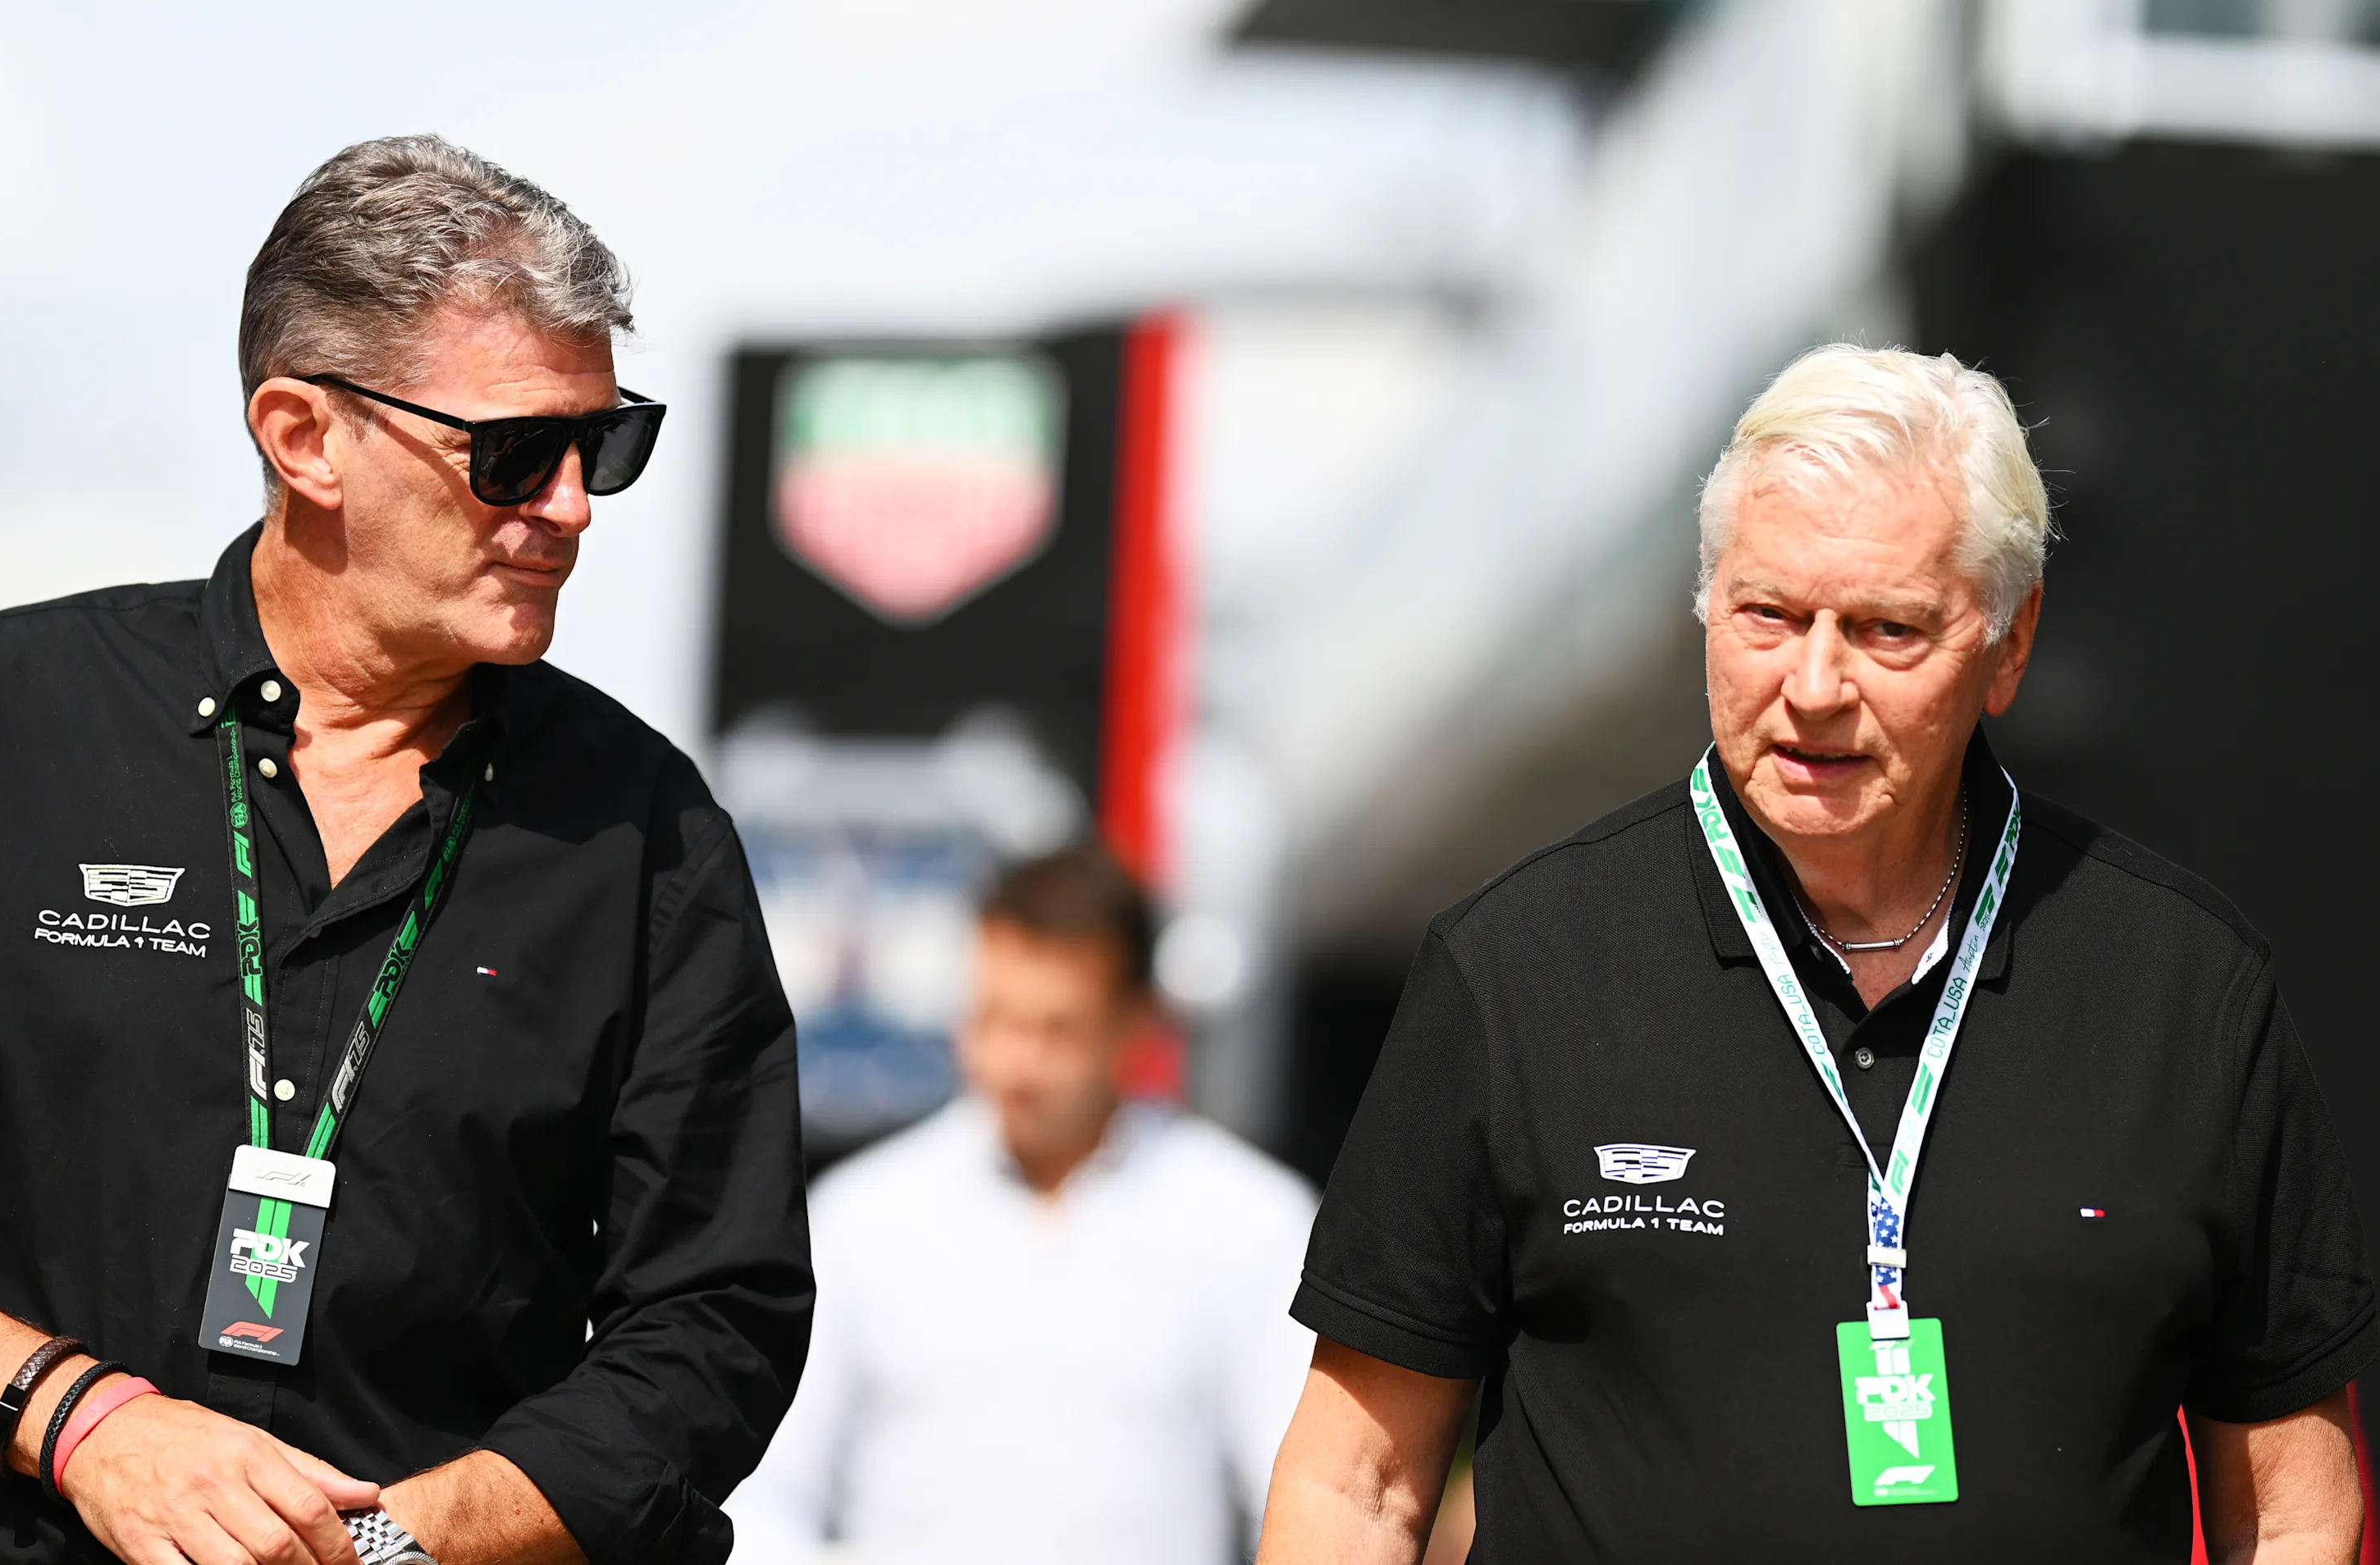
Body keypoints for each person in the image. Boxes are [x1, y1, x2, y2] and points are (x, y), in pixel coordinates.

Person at [0, 135, 809, 1565]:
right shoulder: (4, 717)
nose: (571, 507)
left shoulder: (645, 830)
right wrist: (85, 1424)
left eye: (606, 444)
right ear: (303, 435)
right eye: (515, 450)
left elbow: (715, 1321)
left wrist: (391, 1546)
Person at [1257, 344, 2378, 1563]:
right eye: (1767, 615)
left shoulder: (2186, 990)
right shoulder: (1516, 971)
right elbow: (1356, 1486)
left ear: (2009, 643)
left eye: (1887, 630)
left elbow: (2296, 1510)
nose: (1813, 685)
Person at [727, 846, 1317, 1565]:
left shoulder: (1250, 1227)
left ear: (1137, 1024)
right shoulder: (863, 1221)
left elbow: (1311, 1501)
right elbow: (765, 1496)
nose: (1017, 1065)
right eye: (995, 1019)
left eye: (1056, 1030)